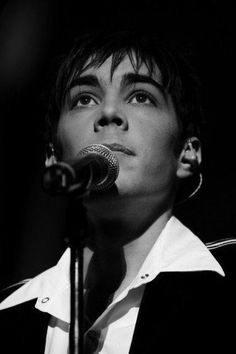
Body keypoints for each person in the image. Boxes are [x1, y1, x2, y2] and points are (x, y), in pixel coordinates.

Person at [0, 27, 235, 354]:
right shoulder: (9, 314)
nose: (108, 113)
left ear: (187, 153)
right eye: (84, 99)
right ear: (53, 158)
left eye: (141, 96)